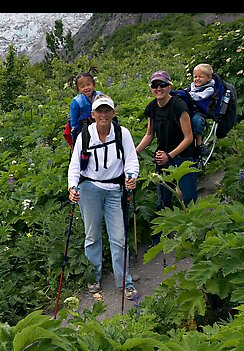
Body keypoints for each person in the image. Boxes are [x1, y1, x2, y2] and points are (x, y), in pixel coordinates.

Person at [68, 95, 139, 299]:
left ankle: (124, 282)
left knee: (118, 237)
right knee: (92, 236)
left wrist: (131, 176)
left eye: (107, 111)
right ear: (93, 115)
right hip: (89, 188)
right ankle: (93, 278)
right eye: (99, 111)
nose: (103, 115)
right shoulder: (85, 135)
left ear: (113, 113)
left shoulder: (122, 133)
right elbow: (74, 165)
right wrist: (73, 187)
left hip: (115, 189)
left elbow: (131, 160)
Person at [135, 70, 198, 243]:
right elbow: (149, 135)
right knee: (163, 201)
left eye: (162, 84)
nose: (158, 88)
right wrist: (134, 153)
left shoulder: (178, 105)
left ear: (169, 86)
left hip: (183, 157)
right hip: (163, 158)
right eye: (155, 85)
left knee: (189, 200)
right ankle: (163, 239)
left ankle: (194, 238)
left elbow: (189, 137)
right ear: (151, 88)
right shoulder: (153, 107)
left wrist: (170, 156)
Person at [68, 71, 103, 146]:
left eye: (88, 85)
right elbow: (74, 118)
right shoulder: (77, 101)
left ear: (94, 84)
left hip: (100, 125)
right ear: (78, 89)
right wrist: (74, 129)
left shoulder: (99, 95)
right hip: (84, 129)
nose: (86, 88)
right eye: (82, 86)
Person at [188, 64, 216, 157]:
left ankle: (199, 144)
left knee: (197, 121)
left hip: (202, 111)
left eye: (200, 77)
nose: (197, 79)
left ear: (208, 78)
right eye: (195, 76)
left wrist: (186, 95)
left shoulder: (209, 89)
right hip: (190, 111)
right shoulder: (192, 86)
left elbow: (199, 97)